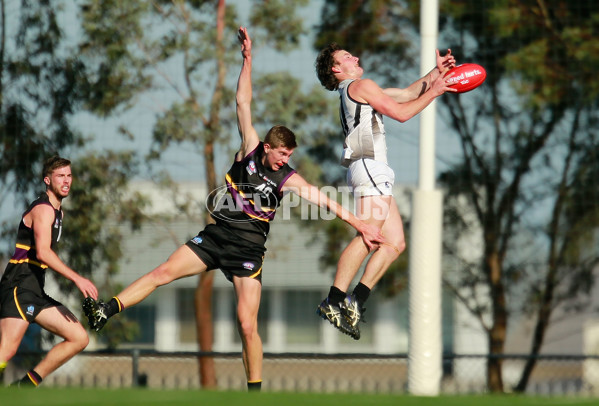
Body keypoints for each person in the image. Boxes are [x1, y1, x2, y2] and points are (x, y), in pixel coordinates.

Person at [82, 27, 385, 392]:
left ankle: (254, 393)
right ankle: (105, 311)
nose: (286, 160)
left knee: (246, 325)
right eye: (283, 154)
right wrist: (247, 60)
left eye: (290, 156)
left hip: (248, 252)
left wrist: (361, 225)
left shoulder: (287, 178)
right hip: (216, 238)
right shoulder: (250, 148)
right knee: (162, 272)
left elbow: (325, 201)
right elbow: (242, 102)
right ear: (269, 147)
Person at [314, 43, 457, 339]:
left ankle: (356, 301)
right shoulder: (360, 85)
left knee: (393, 243)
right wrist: (436, 90)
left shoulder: (360, 89)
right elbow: (402, 113)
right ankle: (334, 300)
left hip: (374, 170)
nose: (354, 55)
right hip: (369, 167)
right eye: (346, 57)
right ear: (336, 70)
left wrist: (437, 73)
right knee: (367, 237)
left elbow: (405, 94)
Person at [0, 156, 99, 387]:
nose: (66, 181)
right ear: (47, 180)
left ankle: (23, 387)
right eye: (60, 176)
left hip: (34, 289)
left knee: (79, 337)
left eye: (69, 175)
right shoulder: (43, 209)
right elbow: (43, 253)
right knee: (7, 349)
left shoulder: (58, 213)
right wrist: (78, 279)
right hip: (19, 285)